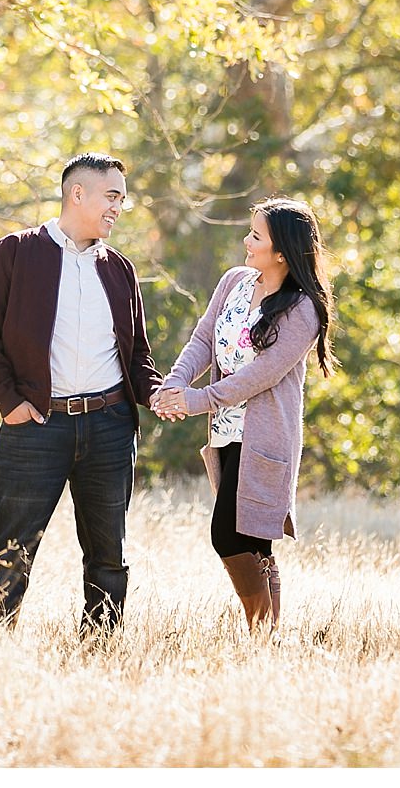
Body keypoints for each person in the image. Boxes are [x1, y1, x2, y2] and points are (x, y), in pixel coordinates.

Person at [0, 152, 162, 634]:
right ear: (78, 194)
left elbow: (136, 353)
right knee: (10, 547)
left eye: (122, 199)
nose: (119, 207)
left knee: (108, 554)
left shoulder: (119, 269)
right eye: (112, 196)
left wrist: (157, 393)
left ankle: (100, 650)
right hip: (35, 427)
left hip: (110, 428)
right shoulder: (13, 253)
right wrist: (9, 403)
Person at [152, 197, 337, 635]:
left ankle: (260, 633)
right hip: (225, 433)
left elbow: (262, 375)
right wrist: (175, 384)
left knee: (231, 535)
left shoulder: (301, 308)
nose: (245, 242)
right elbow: (202, 339)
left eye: (256, 236)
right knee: (254, 542)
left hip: (266, 438)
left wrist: (195, 401)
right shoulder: (235, 281)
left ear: (281, 252)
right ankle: (267, 639)